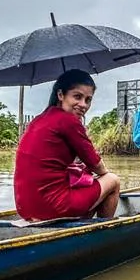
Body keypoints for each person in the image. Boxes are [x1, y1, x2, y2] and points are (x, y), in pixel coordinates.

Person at [14, 69, 121, 221]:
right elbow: (98, 166)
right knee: (112, 180)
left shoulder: (39, 119)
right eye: (77, 97)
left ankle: (82, 225)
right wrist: (102, 175)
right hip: (51, 206)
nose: (83, 105)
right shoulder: (68, 121)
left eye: (88, 99)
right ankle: (102, 232)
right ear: (60, 95)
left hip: (25, 207)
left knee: (85, 182)